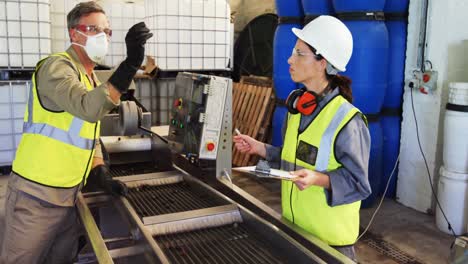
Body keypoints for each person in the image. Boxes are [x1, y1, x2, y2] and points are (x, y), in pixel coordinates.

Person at [0, 1, 152, 263]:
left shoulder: (89, 77)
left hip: (69, 197)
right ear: (74, 33)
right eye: (94, 29)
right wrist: (129, 65)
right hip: (36, 198)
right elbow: (88, 109)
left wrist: (99, 170)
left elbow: (88, 135)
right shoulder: (55, 68)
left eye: (107, 31)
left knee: (62, 259)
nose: (102, 37)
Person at [233, 15, 371, 260]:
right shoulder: (299, 110)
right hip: (296, 232)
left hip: (330, 246)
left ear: (322, 62)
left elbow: (358, 184)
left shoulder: (348, 121)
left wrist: (318, 179)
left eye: (299, 53)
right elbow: (295, 162)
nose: (289, 59)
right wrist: (260, 149)